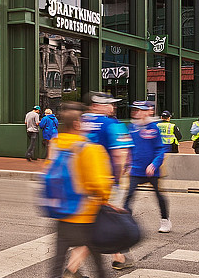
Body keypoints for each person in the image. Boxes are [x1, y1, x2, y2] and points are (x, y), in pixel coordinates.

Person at [47, 102, 113, 278]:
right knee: (98, 264)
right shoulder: (89, 148)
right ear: (77, 124)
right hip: (86, 216)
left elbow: (49, 172)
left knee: (57, 262)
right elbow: (99, 183)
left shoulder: (55, 144)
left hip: (62, 213)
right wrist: (105, 201)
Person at [76, 91, 133, 272]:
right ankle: (72, 268)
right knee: (104, 222)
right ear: (98, 105)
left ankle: (119, 257)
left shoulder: (80, 122)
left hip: (82, 183)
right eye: (110, 104)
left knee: (99, 221)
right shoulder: (112, 124)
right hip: (105, 183)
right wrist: (117, 181)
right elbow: (119, 155)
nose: (113, 107)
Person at [123, 100, 171, 234]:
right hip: (136, 170)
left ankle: (165, 219)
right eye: (135, 110)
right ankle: (125, 223)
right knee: (129, 196)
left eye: (139, 110)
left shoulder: (153, 128)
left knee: (159, 196)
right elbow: (129, 148)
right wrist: (127, 163)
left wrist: (154, 164)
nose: (136, 113)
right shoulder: (132, 128)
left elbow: (160, 149)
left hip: (152, 171)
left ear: (146, 112)